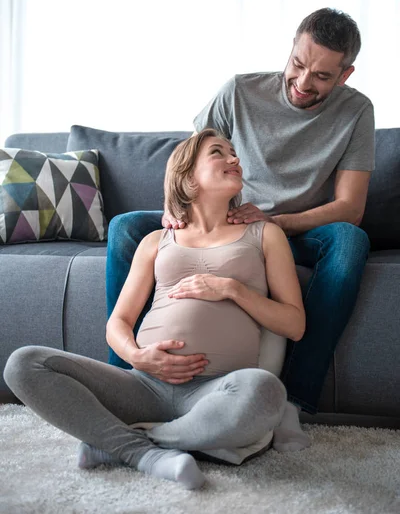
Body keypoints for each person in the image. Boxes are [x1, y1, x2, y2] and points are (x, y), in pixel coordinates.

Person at [105, 8, 375, 452]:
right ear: (290, 48)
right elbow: (192, 157)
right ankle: (127, 381)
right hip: (226, 223)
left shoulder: (356, 111)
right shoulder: (239, 90)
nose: (304, 83)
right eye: (298, 65)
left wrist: (276, 221)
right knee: (125, 228)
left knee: (349, 240)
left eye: (323, 76)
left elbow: (350, 206)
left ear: (345, 75)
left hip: (292, 229)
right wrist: (174, 209)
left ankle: (295, 400)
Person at [4, 129, 305, 491]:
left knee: (266, 391)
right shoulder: (155, 241)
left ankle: (126, 444)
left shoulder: (263, 234)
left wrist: (231, 289)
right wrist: (137, 355)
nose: (234, 159)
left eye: (234, 154)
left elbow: (294, 324)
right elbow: (119, 320)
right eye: (218, 153)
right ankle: (147, 450)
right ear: (187, 175)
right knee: (24, 363)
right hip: (144, 385)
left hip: (217, 390)